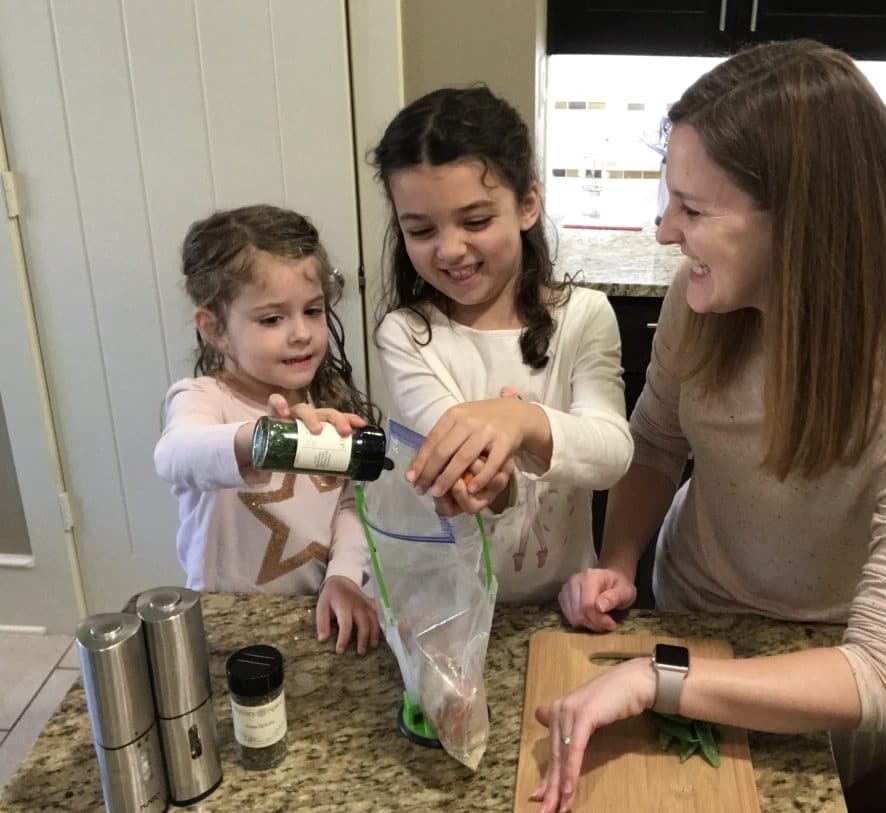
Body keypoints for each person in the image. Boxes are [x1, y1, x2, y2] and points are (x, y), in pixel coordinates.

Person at [535, 40, 886, 812]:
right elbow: (656, 441)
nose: (663, 231)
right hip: (688, 604)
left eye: (692, 209)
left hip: (820, 664)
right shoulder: (701, 305)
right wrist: (621, 562)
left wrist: (660, 677)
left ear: (803, 224)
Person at [371, 85, 633, 602]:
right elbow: (464, 464)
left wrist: (523, 420)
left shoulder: (583, 315)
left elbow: (612, 453)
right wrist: (480, 478)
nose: (450, 249)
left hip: (562, 600)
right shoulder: (406, 334)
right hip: (446, 606)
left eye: (476, 221)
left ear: (528, 204)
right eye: (420, 229)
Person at [154, 204, 381, 655]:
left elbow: (349, 506)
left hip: (316, 614)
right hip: (225, 624)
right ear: (214, 328)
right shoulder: (203, 399)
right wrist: (254, 440)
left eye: (313, 311)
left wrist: (344, 576)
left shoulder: (326, 405)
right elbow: (174, 455)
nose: (302, 334)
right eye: (273, 319)